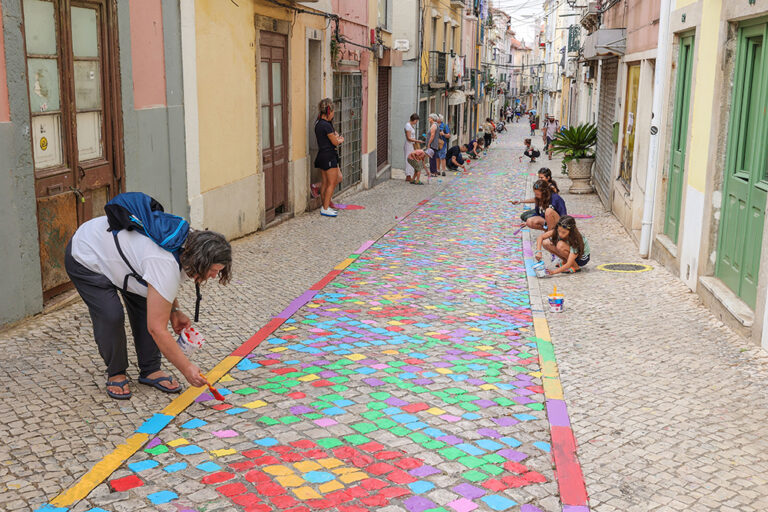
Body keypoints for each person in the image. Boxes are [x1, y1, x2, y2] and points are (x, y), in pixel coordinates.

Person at [65, 220, 232, 400]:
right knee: (111, 315)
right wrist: (187, 368)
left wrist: (174, 311)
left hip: (128, 261)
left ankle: (150, 369)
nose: (214, 276)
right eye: (213, 270)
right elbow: (157, 328)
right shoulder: (163, 261)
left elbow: (162, 282)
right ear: (201, 261)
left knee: (147, 304)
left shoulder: (192, 245)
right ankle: (116, 372)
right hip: (88, 254)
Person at [314, 98, 344, 217]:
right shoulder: (326, 126)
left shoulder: (318, 123)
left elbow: (333, 137)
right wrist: (340, 140)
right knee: (332, 183)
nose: (333, 115)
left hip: (322, 155)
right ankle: (325, 208)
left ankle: (325, 205)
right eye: (333, 112)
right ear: (329, 111)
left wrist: (336, 138)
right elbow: (335, 142)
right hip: (329, 156)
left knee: (326, 183)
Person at [403, 113, 421, 182]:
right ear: (414, 120)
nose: (416, 122)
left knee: (412, 159)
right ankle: (408, 175)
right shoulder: (408, 126)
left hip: (412, 144)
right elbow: (408, 138)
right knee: (409, 159)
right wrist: (417, 141)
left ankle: (410, 174)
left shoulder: (411, 125)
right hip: (408, 144)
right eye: (416, 121)